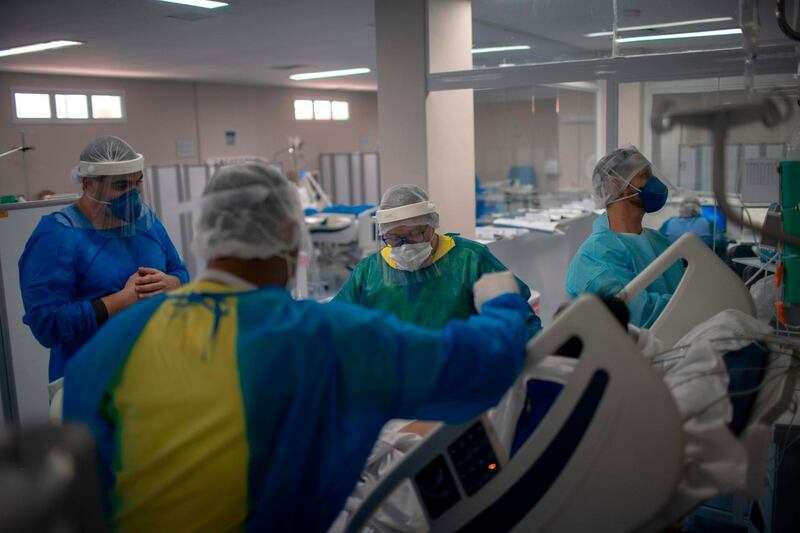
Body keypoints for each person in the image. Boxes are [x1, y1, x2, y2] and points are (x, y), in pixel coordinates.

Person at [62, 162, 531, 532]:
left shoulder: (113, 345)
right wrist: (504, 302)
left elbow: (86, 494)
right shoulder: (326, 337)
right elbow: (481, 363)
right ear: (292, 236)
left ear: (204, 235)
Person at [19, 136, 189, 410]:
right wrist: (122, 300)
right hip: (92, 383)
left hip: (155, 371)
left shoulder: (146, 222)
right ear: (89, 184)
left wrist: (172, 281)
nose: (133, 194)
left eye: (137, 182)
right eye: (121, 185)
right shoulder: (57, 236)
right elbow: (46, 324)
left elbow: (180, 270)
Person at [334, 184, 542, 338]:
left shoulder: (469, 259)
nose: (405, 246)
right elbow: (336, 322)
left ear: (432, 225)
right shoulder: (370, 271)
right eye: (394, 238)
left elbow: (520, 321)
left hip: (458, 383)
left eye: (415, 234)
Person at [565, 146, 684, 328]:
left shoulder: (659, 241)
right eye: (644, 175)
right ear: (615, 185)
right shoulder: (592, 259)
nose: (655, 183)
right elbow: (640, 316)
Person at [659, 196, 728, 259]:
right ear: (699, 209)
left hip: (673, 267)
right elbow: (722, 244)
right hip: (703, 266)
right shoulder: (709, 223)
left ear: (681, 209)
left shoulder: (669, 223)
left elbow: (657, 242)